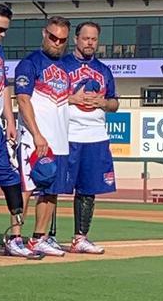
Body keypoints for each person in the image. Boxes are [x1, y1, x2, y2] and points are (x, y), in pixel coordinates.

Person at [0, 4, 42, 259]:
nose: (3, 34)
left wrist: (10, 121)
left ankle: (14, 238)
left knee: (12, 179)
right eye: (0, 29)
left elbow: (3, 86)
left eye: (6, 30)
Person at [15, 16, 73, 257]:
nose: (57, 43)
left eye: (62, 39)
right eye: (53, 37)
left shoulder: (66, 67)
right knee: (26, 188)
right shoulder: (29, 63)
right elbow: (23, 99)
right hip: (35, 137)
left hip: (59, 138)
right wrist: (37, 134)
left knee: (51, 189)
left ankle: (38, 238)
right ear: (44, 34)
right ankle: (14, 236)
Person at [62, 21, 119, 254]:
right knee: (52, 186)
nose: (90, 43)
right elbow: (47, 95)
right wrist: (71, 98)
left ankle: (80, 238)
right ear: (76, 39)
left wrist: (103, 103)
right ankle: (45, 235)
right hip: (66, 133)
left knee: (88, 190)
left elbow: (115, 102)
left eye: (94, 39)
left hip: (95, 135)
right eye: (86, 38)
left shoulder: (104, 70)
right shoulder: (62, 65)